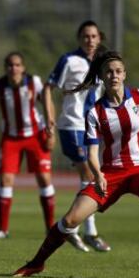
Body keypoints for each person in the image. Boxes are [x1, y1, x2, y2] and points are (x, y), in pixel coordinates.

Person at [13, 50, 139, 277]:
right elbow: (92, 152)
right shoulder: (95, 112)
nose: (114, 75)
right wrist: (98, 174)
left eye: (118, 71)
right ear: (102, 77)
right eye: (109, 72)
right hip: (110, 174)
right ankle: (36, 263)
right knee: (70, 220)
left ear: (124, 75)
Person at [43, 20, 110, 252]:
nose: (89, 40)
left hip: (91, 127)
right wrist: (49, 117)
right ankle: (86, 230)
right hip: (71, 125)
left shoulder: (103, 64)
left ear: (99, 38)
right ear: (79, 39)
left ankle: (78, 227)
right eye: (85, 36)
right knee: (91, 174)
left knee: (93, 176)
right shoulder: (69, 60)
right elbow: (47, 87)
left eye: (93, 36)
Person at [0, 52, 55, 239]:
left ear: (23, 67)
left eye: (18, 65)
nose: (14, 69)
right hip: (11, 138)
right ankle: (2, 230)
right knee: (6, 180)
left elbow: (48, 103)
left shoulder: (34, 82)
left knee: (44, 178)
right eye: (10, 65)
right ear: (6, 68)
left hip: (36, 135)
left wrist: (52, 130)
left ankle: (51, 228)